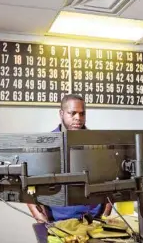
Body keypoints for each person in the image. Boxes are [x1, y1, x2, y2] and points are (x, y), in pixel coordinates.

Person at [27, 94, 112, 222]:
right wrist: (37, 214)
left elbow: (112, 176)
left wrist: (106, 211)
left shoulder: (98, 142)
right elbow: (28, 182)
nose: (78, 118)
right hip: (57, 220)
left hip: (95, 219)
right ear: (61, 114)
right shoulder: (45, 144)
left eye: (82, 114)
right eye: (72, 113)